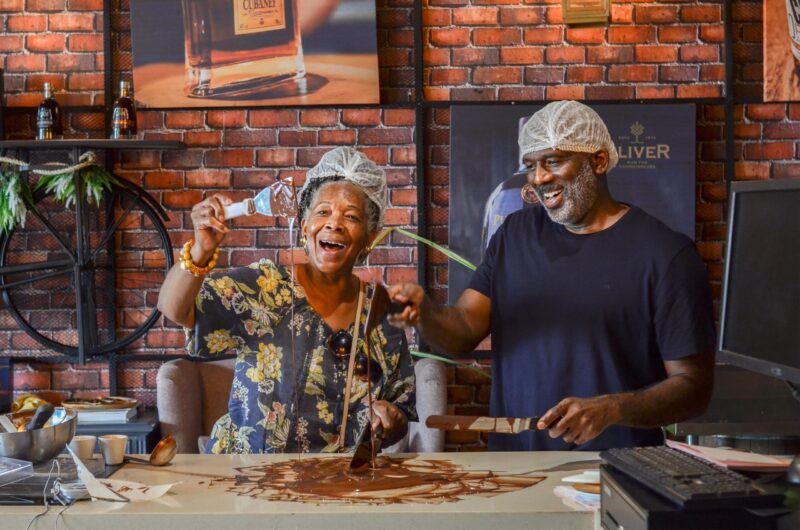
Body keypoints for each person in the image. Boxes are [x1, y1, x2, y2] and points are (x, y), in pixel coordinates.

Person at [389, 101, 716, 451]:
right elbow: (464, 331)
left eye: (554, 161)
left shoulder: (665, 254)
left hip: (617, 477)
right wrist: (425, 315)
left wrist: (613, 408)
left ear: (599, 161)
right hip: (516, 471)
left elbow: (693, 387)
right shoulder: (513, 237)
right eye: (531, 165)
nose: (540, 177)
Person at [158, 146, 416, 454]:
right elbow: (175, 309)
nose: (334, 223)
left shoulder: (380, 312)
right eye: (322, 212)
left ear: (369, 238)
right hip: (248, 479)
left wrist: (391, 418)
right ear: (304, 227)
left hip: (334, 486)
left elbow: (400, 412)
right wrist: (200, 248)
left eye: (351, 216)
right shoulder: (265, 288)